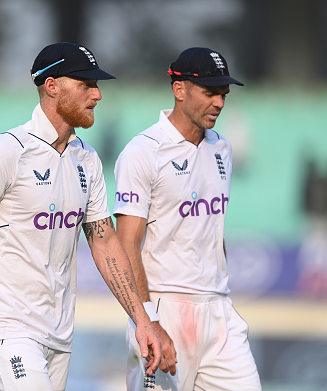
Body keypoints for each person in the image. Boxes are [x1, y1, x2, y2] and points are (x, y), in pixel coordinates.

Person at [0, 42, 162, 391]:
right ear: (52, 86)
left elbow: (104, 242)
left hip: (59, 332)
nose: (98, 95)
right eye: (87, 84)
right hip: (5, 325)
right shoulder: (7, 151)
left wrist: (142, 320)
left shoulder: (87, 159)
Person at [114, 47, 262, 390]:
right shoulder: (143, 152)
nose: (220, 103)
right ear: (179, 90)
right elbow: (126, 244)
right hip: (164, 309)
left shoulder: (221, 147)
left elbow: (212, 228)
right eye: (210, 93)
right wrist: (148, 320)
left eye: (223, 94)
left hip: (218, 310)